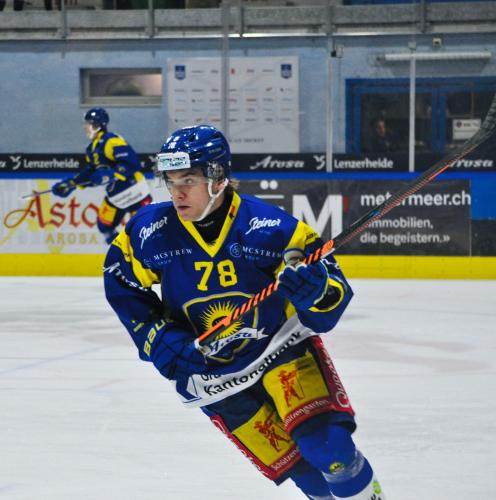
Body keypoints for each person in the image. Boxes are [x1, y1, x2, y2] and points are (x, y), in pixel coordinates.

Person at [103, 124, 386, 500]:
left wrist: (315, 292)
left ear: (218, 178)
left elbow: (331, 302)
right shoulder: (148, 231)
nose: (176, 192)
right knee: (308, 478)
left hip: (280, 350)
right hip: (210, 375)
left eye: (188, 180)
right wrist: (159, 338)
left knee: (329, 451)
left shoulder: (271, 229)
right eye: (170, 181)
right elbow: (120, 280)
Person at [51, 107, 152, 244]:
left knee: (145, 230)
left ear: (97, 125)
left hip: (134, 191)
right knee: (104, 226)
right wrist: (72, 183)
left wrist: (112, 174)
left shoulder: (111, 140)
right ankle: (123, 252)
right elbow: (92, 173)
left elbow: (132, 163)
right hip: (116, 196)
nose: (85, 127)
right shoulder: (92, 148)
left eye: (88, 123)